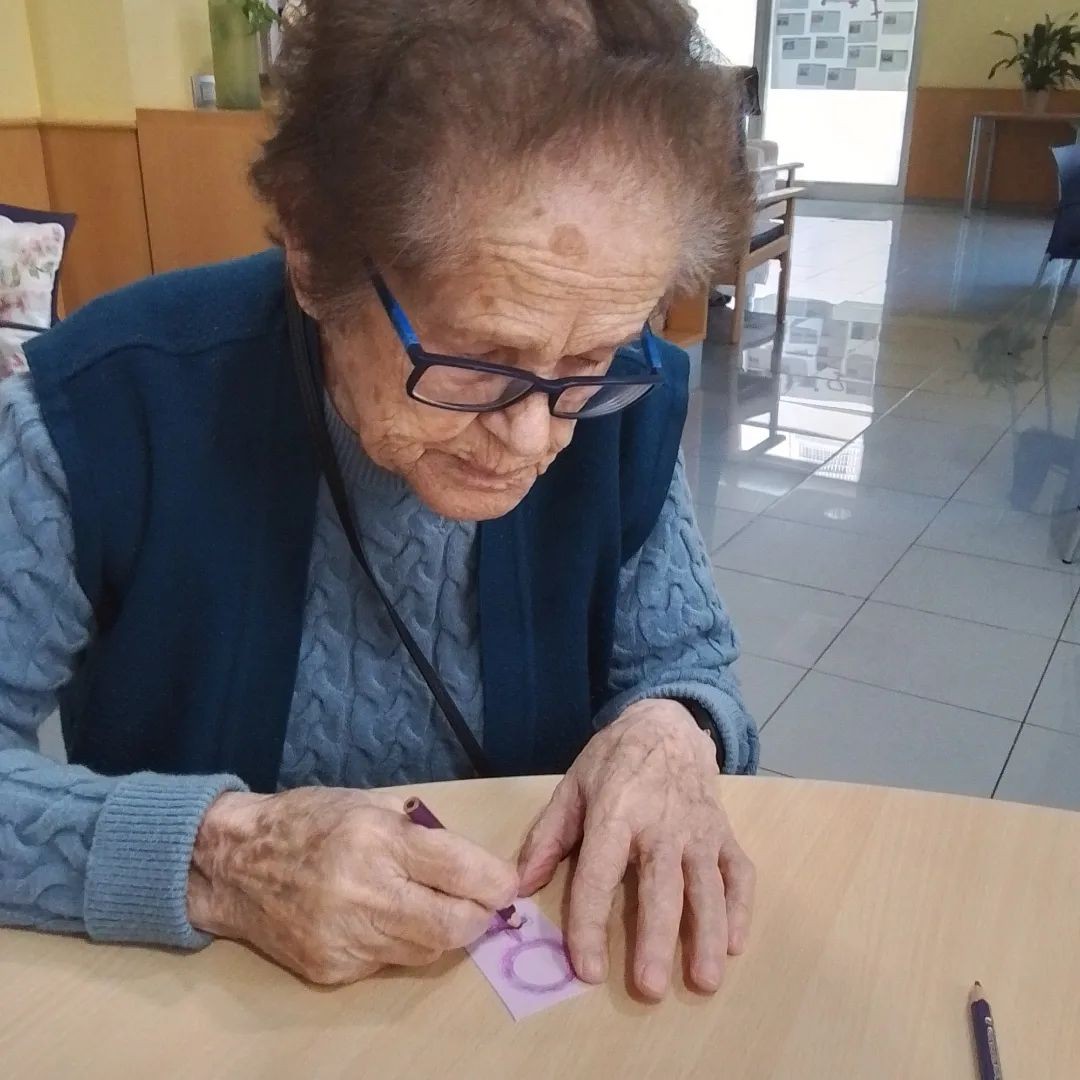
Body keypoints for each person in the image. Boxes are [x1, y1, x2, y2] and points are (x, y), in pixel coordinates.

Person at [0, 0, 757, 1001]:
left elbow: (684, 662)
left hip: (515, 1009)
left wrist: (673, 730)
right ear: (312, 252)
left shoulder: (622, 400)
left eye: (591, 359)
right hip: (204, 1013)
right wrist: (220, 858)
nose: (535, 438)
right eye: (478, 360)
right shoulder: (102, 409)